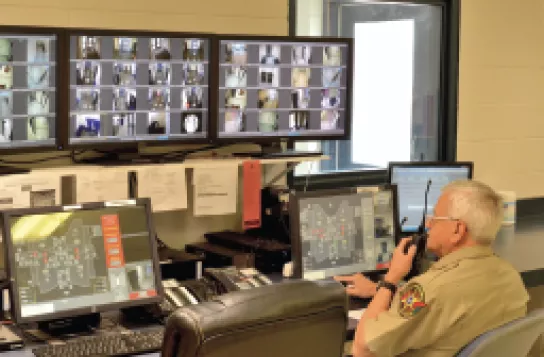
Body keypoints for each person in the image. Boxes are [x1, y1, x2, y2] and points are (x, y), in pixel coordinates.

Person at [335, 180, 529, 357]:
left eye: (436, 217)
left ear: (457, 230)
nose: (429, 223)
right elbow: (442, 306)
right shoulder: (510, 276)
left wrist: (391, 277)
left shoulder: (431, 288)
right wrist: (376, 290)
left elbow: (363, 348)